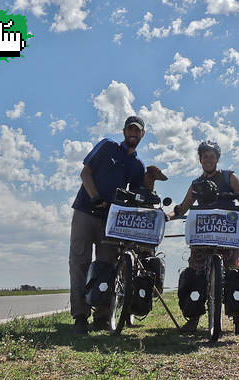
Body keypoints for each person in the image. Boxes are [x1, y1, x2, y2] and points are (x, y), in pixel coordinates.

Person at [69, 115, 165, 335]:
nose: (133, 133)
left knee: (107, 265)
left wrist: (151, 186)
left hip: (112, 220)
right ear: (124, 131)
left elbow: (138, 194)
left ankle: (102, 315)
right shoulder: (107, 147)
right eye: (130, 129)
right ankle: (80, 315)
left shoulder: (137, 165)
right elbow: (85, 172)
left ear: (142, 134)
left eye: (137, 131)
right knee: (79, 262)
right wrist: (94, 196)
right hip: (86, 210)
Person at [167, 141, 239, 336]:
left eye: (212, 156)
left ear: (217, 159)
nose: (208, 159)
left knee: (234, 273)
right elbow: (183, 207)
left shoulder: (228, 176)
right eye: (204, 156)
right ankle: (193, 318)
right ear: (200, 159)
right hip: (203, 232)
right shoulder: (196, 183)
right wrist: (168, 216)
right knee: (196, 272)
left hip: (227, 231)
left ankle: (238, 321)